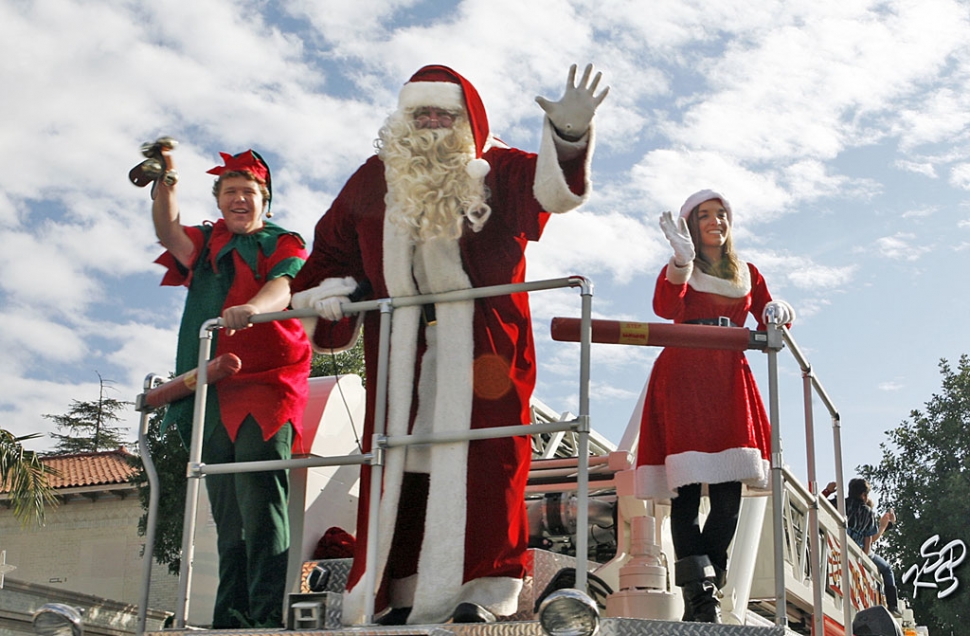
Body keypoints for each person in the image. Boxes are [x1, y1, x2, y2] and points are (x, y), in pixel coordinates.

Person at [290, 63, 608, 625]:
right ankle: (404, 594)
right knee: (400, 464)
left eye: (445, 114)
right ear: (404, 120)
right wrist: (329, 294)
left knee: (491, 461)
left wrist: (568, 137)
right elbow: (327, 255)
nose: (433, 123)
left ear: (468, 122)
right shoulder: (372, 181)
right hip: (401, 348)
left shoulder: (497, 168)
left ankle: (486, 589)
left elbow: (551, 193)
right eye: (422, 114)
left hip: (486, 344)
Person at [150, 148, 311, 628]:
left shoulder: (284, 241)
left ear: (265, 200)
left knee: (261, 502)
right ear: (219, 201)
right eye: (230, 192)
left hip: (268, 381)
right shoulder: (207, 243)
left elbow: (284, 285)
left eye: (249, 192)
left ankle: (265, 615)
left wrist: (255, 308)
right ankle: (231, 616)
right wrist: (166, 184)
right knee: (227, 511)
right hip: (212, 383)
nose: (239, 199)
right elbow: (168, 232)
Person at [634, 190, 795, 623]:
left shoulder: (747, 271)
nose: (715, 221)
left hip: (727, 378)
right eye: (705, 215)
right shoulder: (683, 268)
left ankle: (707, 583)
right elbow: (666, 307)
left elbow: (767, 314)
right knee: (685, 495)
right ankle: (700, 602)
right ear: (691, 224)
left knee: (728, 498)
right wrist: (681, 262)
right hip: (685, 375)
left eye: (721, 214)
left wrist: (779, 310)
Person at [844, 477, 899, 615]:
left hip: (840, 543)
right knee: (887, 569)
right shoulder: (867, 513)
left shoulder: (841, 504)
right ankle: (893, 606)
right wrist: (884, 526)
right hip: (858, 549)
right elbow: (869, 539)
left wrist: (827, 491)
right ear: (863, 495)